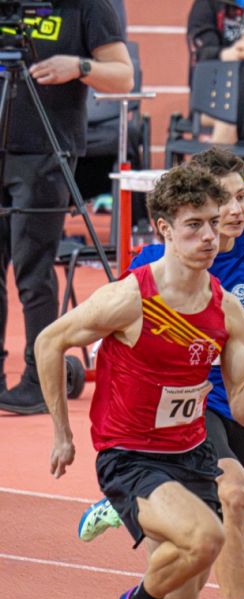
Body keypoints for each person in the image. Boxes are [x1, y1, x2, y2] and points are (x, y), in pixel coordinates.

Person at [34, 166, 244, 599]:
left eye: (213, 224)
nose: (209, 237)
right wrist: (62, 434)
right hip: (130, 455)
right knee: (208, 536)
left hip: (190, 454)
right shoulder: (130, 297)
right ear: (164, 228)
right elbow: (49, 342)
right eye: (193, 226)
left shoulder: (227, 310)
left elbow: (243, 410)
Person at [77, 148, 244, 599]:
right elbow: (122, 322)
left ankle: (131, 513)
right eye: (223, 199)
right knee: (234, 495)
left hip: (241, 395)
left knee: (222, 521)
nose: (236, 209)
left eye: (242, 196)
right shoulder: (156, 261)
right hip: (187, 401)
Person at [0, 0, 134, 414]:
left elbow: (123, 75)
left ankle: (39, 380)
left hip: (46, 149)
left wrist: (78, 67)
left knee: (32, 270)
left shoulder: (88, 6)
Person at [187, 0, 244, 146]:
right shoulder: (206, 3)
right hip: (216, 94)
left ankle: (227, 121)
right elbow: (201, 49)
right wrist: (227, 54)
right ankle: (227, 119)